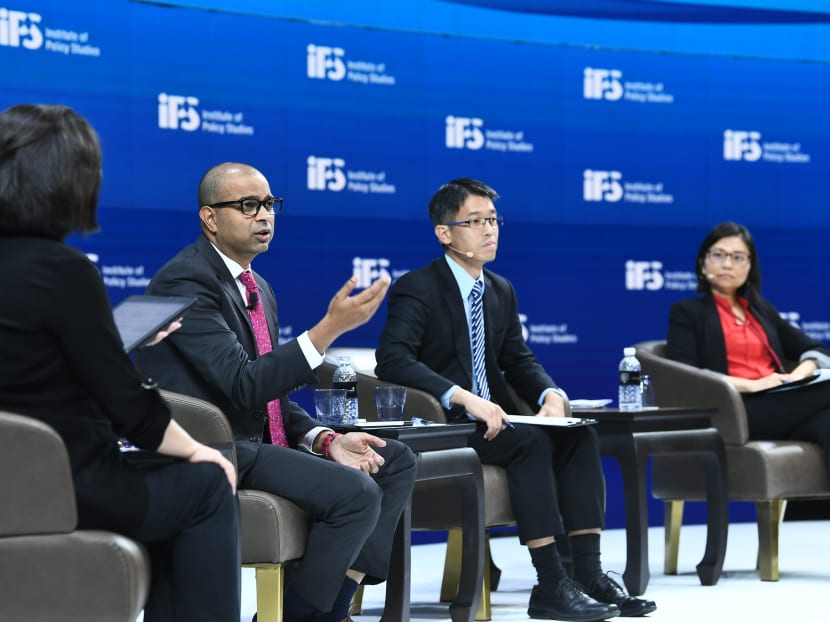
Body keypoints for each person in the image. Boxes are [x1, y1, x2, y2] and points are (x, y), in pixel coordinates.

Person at [135, 162, 418, 622]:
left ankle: (328, 607)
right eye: (248, 206)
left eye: (269, 204)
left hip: (257, 440)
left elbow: (271, 395)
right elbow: (243, 384)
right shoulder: (186, 280)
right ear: (210, 217)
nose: (264, 215)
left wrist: (325, 439)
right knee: (356, 493)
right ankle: (306, 617)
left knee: (396, 461)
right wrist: (326, 331)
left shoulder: (258, 286)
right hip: (215, 447)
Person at [375, 178, 656, 621]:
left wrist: (550, 394)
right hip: (448, 425)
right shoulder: (419, 287)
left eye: (493, 220)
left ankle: (589, 573)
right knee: (530, 443)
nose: (490, 230)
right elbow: (392, 359)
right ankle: (550, 584)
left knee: (579, 436)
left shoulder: (499, 289)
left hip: (497, 420)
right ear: (444, 233)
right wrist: (465, 398)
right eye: (475, 222)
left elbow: (517, 358)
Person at [0, 104, 240, 621]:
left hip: (14, 479)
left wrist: (114, 349)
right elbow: (130, 409)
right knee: (206, 485)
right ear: (70, 182)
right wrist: (202, 452)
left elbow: (28, 372)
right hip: (64, 482)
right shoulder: (63, 272)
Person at [667, 221, 830, 477]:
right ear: (702, 263)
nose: (728, 264)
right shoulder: (688, 313)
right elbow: (685, 375)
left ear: (750, 266)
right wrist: (752, 384)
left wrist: (796, 377)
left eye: (738, 257)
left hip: (781, 402)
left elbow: (814, 349)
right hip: (735, 408)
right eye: (718, 255)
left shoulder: (760, 309)